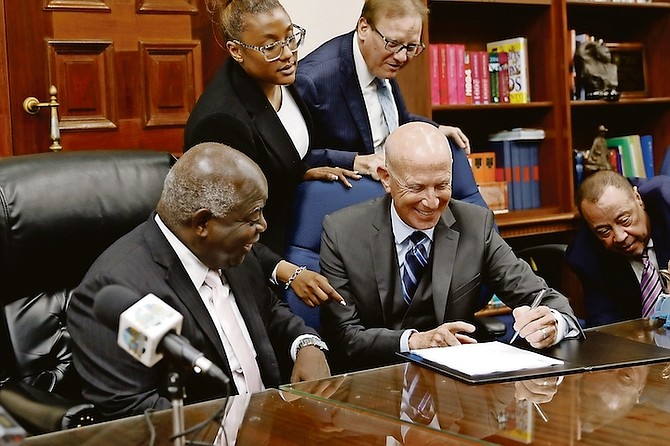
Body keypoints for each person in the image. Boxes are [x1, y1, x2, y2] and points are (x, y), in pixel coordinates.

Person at [67, 143, 331, 420]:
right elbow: (130, 412)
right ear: (203, 223)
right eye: (254, 215)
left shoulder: (230, 252)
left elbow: (269, 309)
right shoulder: (118, 294)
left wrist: (305, 343)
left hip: (273, 423)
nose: (262, 226)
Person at [319, 122, 583, 372]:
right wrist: (414, 342)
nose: (432, 202)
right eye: (417, 187)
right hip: (374, 382)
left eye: (442, 185)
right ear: (386, 178)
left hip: (456, 386)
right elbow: (344, 336)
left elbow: (544, 298)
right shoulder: (342, 232)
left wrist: (552, 323)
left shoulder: (474, 225)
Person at [184, 0, 355, 308]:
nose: (288, 53)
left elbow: (273, 153)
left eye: (290, 37)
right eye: (271, 46)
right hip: (254, 260)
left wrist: (296, 172)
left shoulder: (278, 76)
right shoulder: (222, 121)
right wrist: (284, 271)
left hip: (291, 219)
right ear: (237, 51)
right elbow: (222, 228)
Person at [294, 0, 488, 209]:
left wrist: (436, 128)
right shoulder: (313, 80)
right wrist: (356, 161)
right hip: (350, 202)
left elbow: (397, 119)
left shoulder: (383, 59)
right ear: (364, 28)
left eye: (411, 47)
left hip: (397, 192)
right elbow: (293, 159)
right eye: (393, 44)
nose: (402, 56)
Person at [566, 170, 670, 327]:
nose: (620, 237)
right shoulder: (585, 257)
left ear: (638, 198)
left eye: (625, 220)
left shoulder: (667, 200)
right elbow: (607, 328)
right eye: (604, 231)